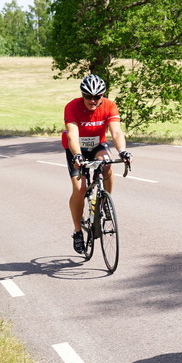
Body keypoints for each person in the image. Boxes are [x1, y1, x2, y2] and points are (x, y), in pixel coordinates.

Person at [62, 74, 132, 254]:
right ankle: (78, 232)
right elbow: (72, 135)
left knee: (107, 163)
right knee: (80, 189)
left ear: (103, 95)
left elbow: (116, 133)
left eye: (97, 96)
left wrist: (122, 151)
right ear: (82, 95)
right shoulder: (72, 106)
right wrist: (77, 155)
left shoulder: (109, 106)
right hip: (76, 148)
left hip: (97, 145)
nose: (92, 100)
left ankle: (105, 200)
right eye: (88, 96)